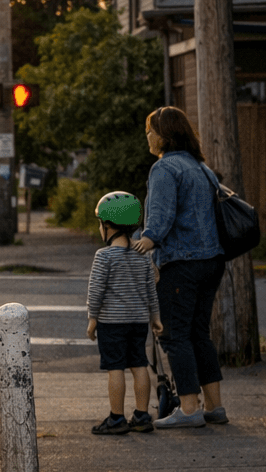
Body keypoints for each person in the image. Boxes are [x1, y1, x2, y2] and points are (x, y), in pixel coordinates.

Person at [132, 106, 227, 429]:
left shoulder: (165, 168)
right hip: (212, 261)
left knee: (174, 335)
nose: (147, 136)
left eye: (150, 130)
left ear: (164, 135)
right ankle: (214, 405)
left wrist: (147, 240)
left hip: (182, 263)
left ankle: (189, 408)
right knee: (200, 332)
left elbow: (160, 215)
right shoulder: (200, 167)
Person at [86, 192, 163, 435]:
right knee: (139, 364)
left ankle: (117, 418)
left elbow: (96, 290)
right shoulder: (143, 256)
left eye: (101, 224)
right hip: (139, 322)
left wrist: (92, 319)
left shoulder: (104, 256)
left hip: (112, 323)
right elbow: (151, 288)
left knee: (115, 368)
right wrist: (155, 317)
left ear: (107, 226)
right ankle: (142, 416)